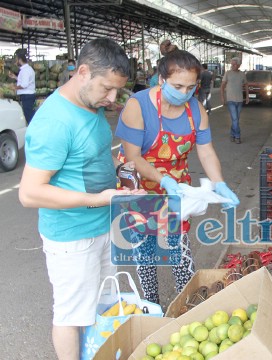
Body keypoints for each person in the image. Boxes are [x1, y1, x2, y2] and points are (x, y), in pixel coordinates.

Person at [19, 38, 134, 360]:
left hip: (101, 225)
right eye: (107, 88)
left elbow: (91, 156)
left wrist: (118, 168)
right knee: (72, 315)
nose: (112, 99)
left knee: (102, 305)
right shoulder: (55, 121)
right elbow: (29, 193)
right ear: (82, 72)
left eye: (117, 91)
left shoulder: (91, 106)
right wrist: (99, 199)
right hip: (73, 236)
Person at [115, 41, 240, 304]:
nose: (185, 93)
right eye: (177, 86)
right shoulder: (138, 106)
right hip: (139, 185)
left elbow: (205, 151)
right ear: (161, 80)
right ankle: (151, 306)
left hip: (177, 187)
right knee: (145, 251)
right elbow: (133, 157)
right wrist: (162, 180)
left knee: (178, 247)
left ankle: (188, 304)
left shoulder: (196, 110)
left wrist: (219, 183)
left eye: (191, 87)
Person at [220, 57, 249, 144]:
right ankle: (237, 136)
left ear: (239, 65)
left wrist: (247, 96)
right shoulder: (227, 73)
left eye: (235, 64)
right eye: (232, 64)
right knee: (235, 119)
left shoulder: (242, 74)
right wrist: (222, 97)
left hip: (239, 100)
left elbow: (246, 85)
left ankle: (232, 134)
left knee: (235, 119)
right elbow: (222, 86)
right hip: (230, 100)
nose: (233, 66)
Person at [9, 49, 35, 124]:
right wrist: (15, 77)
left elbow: (24, 85)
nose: (15, 62)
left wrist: (15, 87)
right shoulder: (28, 69)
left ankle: (33, 131)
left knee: (28, 116)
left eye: (16, 60)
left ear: (20, 60)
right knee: (29, 114)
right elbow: (25, 81)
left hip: (27, 96)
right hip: (29, 95)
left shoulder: (25, 70)